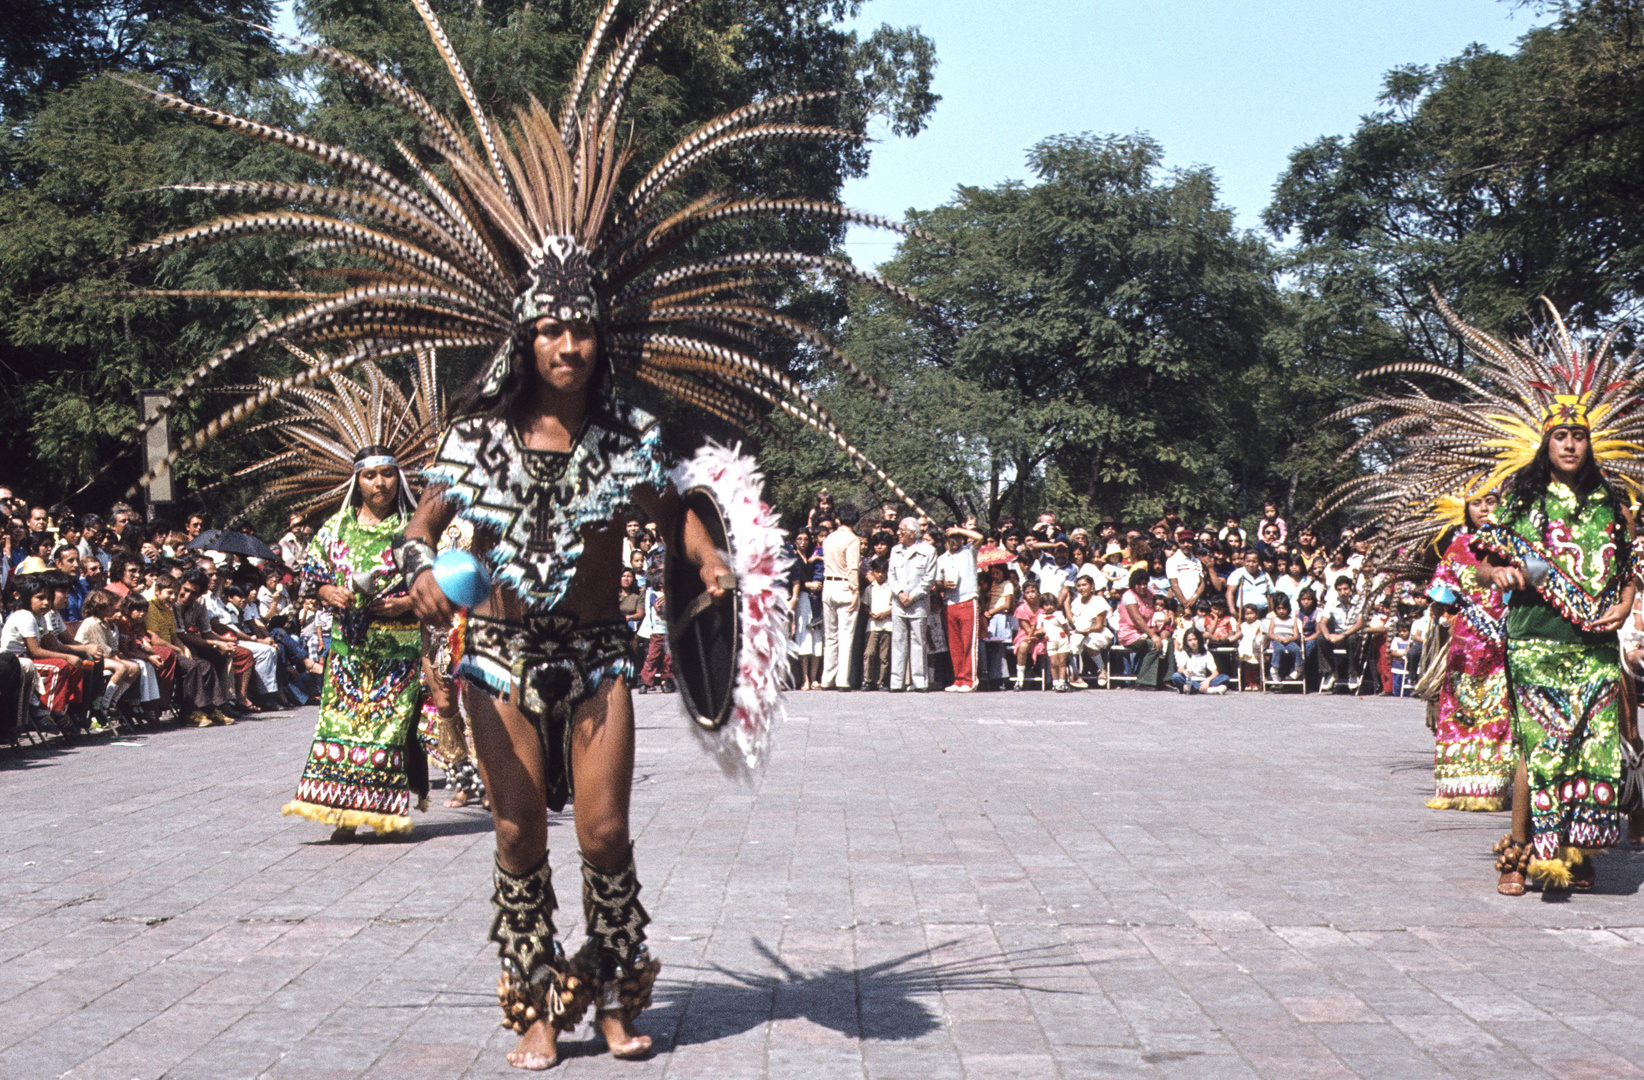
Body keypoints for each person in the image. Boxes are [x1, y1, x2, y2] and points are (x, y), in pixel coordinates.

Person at [282, 446, 429, 841]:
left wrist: (406, 603)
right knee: (341, 729)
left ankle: (382, 815)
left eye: (386, 474)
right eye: (369, 475)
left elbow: (442, 584)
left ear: (398, 478)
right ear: (356, 481)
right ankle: (343, 815)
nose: (379, 483)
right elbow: (310, 576)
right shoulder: (335, 529)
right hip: (348, 650)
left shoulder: (415, 529)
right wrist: (328, 590)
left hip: (399, 651)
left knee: (387, 734)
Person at [1423, 492, 1513, 812]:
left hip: (1506, 643)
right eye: (1477, 503)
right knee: (1462, 709)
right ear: (1466, 509)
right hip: (1466, 644)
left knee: (1499, 712)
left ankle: (1492, 788)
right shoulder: (1458, 547)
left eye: (1491, 501)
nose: (1485, 509)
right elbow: (1440, 593)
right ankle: (1455, 787)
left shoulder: (1517, 545)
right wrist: (1444, 606)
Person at [887, 516, 937, 692]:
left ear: (913, 533)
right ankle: (896, 682)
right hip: (899, 603)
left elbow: (928, 578)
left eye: (902, 530)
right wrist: (900, 594)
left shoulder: (928, 551)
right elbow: (891, 575)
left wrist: (913, 596)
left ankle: (919, 682)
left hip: (918, 604)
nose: (898, 532)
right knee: (898, 641)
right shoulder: (895, 550)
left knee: (918, 642)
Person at [819, 504, 861, 690]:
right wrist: (856, 591)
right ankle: (842, 680)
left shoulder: (828, 538)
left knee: (830, 637)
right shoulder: (853, 540)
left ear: (838, 519)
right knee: (846, 636)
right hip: (845, 585)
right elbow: (852, 567)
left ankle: (826, 679)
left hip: (828, 585)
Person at [937, 524, 982, 692]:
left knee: (968, 642)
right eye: (951, 537)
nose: (954, 541)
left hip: (968, 601)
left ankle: (970, 680)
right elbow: (936, 583)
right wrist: (943, 586)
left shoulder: (969, 551)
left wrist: (959, 530)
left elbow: (979, 538)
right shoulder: (941, 559)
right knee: (955, 645)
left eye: (957, 537)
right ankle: (958, 679)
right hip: (950, 603)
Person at [1066, 571, 1113, 688]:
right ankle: (1075, 676)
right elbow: (1073, 622)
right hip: (1080, 631)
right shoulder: (1076, 601)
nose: (1082, 588)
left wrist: (1086, 631)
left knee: (1090, 642)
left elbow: (1099, 626)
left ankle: (1102, 670)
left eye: (1084, 585)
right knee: (1069, 645)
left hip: (1097, 632)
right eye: (1079, 585)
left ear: (1091, 586)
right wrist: (1066, 604)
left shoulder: (1099, 600)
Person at [863, 558, 893, 690]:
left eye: (883, 572)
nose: (880, 574)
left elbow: (895, 607)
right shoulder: (870, 589)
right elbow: (864, 605)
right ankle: (867, 680)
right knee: (869, 653)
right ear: (873, 572)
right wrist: (870, 613)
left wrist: (885, 613)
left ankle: (882, 681)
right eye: (877, 571)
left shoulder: (891, 587)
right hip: (873, 625)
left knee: (884, 656)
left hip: (887, 625)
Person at [1170, 628, 1230, 694]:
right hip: (1190, 680)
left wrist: (1207, 680)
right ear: (1186, 642)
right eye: (1190, 640)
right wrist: (1184, 671)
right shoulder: (1184, 653)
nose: (1193, 642)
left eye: (1195, 639)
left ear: (1199, 640)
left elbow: (1215, 673)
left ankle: (1193, 689)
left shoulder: (1206, 654)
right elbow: (1180, 669)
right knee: (1176, 676)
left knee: (1225, 678)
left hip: (1202, 681)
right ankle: (1208, 690)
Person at [1264, 592, 1303, 684]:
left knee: (1296, 649)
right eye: (1279, 608)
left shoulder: (1293, 620)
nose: (1281, 611)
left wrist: (1289, 639)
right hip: (1277, 640)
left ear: (1288, 608)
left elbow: (1296, 635)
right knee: (1279, 650)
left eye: (1284, 608)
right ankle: (1274, 669)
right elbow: (1269, 634)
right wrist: (1278, 639)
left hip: (1289, 640)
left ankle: (1298, 668)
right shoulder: (1274, 620)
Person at [1224, 550, 1272, 617]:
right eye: (1248, 561)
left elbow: (1271, 595)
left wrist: (1271, 611)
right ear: (1243, 561)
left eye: (1254, 561)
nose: (1251, 564)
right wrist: (1232, 610)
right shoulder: (1238, 574)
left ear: (1259, 562)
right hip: (1244, 614)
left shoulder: (1265, 575)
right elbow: (1229, 592)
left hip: (1263, 613)